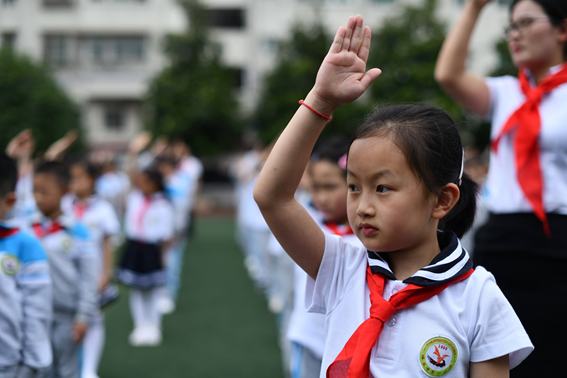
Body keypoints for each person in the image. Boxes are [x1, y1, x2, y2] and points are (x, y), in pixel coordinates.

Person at [254, 15, 533, 377]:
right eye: (354, 186)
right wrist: (320, 100)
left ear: (442, 201)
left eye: (382, 188)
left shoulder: (478, 296)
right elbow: (273, 197)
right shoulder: (343, 266)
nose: (362, 207)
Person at [434, 0, 567, 375]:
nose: (515, 34)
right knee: (499, 354)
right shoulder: (506, 92)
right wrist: (474, 9)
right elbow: (448, 74)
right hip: (504, 238)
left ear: (562, 30)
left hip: (559, 240)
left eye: (526, 23)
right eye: (511, 26)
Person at [287, 139, 364, 378]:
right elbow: (273, 197)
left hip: (354, 345)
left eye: (330, 187)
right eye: (316, 187)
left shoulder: (373, 238)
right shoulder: (308, 226)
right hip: (310, 338)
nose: (321, 197)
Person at [32, 161, 98, 378]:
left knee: (68, 371)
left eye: (45, 192)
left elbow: (88, 277)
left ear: (64, 191)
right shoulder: (26, 228)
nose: (38, 198)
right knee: (39, 370)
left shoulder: (77, 231)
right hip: (34, 317)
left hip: (66, 317)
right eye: (34, 191)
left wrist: (83, 316)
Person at [62, 159, 121, 378]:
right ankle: (71, 367)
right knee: (67, 321)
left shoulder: (103, 208)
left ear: (93, 180)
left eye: (79, 178)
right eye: (71, 178)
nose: (74, 183)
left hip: (92, 275)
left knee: (93, 319)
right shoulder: (64, 203)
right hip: (65, 275)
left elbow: (108, 244)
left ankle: (89, 369)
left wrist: (105, 274)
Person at [117, 134, 175, 347]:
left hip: (153, 249)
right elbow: (129, 173)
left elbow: (167, 236)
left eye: (146, 182)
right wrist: (133, 152)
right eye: (140, 181)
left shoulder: (163, 203)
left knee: (154, 289)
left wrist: (164, 257)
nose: (142, 184)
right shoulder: (135, 197)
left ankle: (154, 325)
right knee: (136, 289)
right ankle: (140, 324)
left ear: (156, 183)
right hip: (135, 246)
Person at [0, 153, 52, 378]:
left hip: (8, 363)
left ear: (9, 202)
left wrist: (34, 362)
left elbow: (36, 311)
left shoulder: (25, 245)